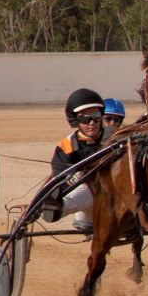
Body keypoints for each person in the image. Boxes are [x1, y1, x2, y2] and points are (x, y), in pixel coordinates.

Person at [46, 88, 108, 233]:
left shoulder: (116, 138)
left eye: (96, 117)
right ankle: (57, 208)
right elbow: (61, 175)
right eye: (86, 119)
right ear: (75, 120)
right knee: (88, 187)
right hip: (89, 205)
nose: (92, 123)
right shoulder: (67, 145)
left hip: (117, 198)